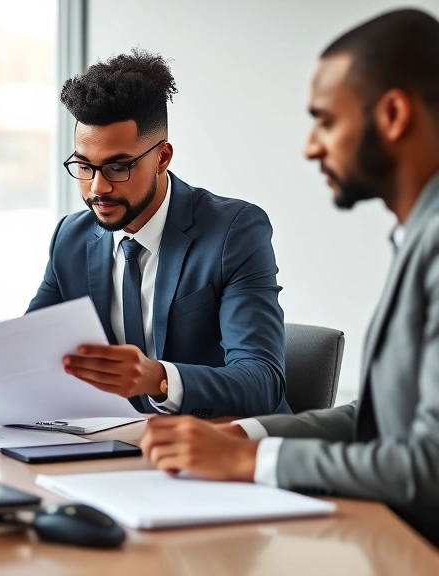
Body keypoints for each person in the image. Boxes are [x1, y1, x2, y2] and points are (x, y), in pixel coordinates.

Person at [139, 8, 439, 546]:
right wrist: (245, 432)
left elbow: (430, 468)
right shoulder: (418, 235)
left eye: (326, 120)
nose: (311, 146)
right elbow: (377, 422)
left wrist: (255, 458)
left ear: (393, 114)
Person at [29, 49, 290, 418]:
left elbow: (262, 381)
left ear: (162, 158)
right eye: (84, 166)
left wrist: (159, 379)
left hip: (225, 446)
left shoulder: (234, 231)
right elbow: (26, 352)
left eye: (118, 167)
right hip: (117, 446)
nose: (97, 188)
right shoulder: (70, 238)